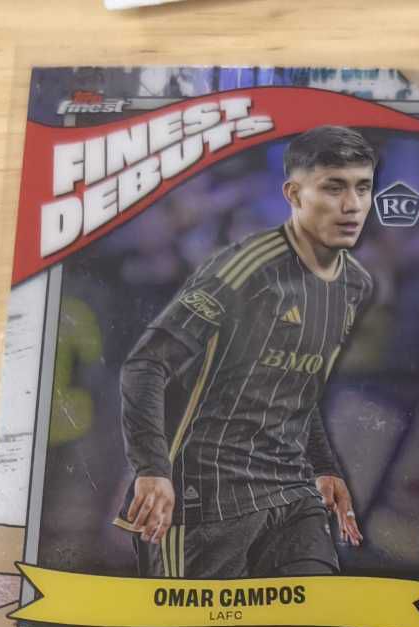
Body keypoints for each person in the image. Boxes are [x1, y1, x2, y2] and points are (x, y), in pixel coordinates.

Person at [117, 125, 376, 580]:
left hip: (292, 496)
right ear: (293, 194)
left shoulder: (355, 285)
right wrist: (152, 469)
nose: (352, 205)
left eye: (363, 187)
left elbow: (299, 387)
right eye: (333, 188)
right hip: (206, 498)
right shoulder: (245, 271)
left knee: (317, 618)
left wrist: (325, 467)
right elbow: (146, 364)